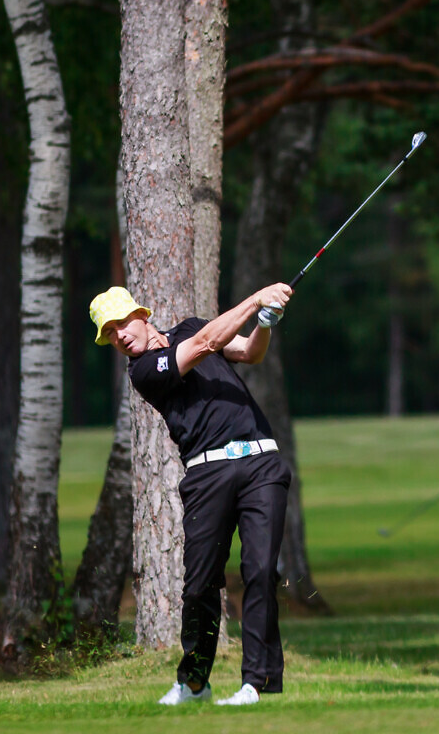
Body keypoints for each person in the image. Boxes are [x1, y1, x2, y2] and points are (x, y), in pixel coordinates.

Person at [89, 282, 293, 708]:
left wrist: (265, 323)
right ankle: (195, 682)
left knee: (259, 572)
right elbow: (205, 344)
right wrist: (256, 299)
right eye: (110, 333)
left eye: (122, 323)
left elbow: (249, 353)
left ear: (141, 316)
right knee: (200, 584)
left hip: (261, 463)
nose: (121, 335)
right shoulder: (144, 371)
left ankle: (256, 683)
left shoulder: (193, 326)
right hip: (207, 474)